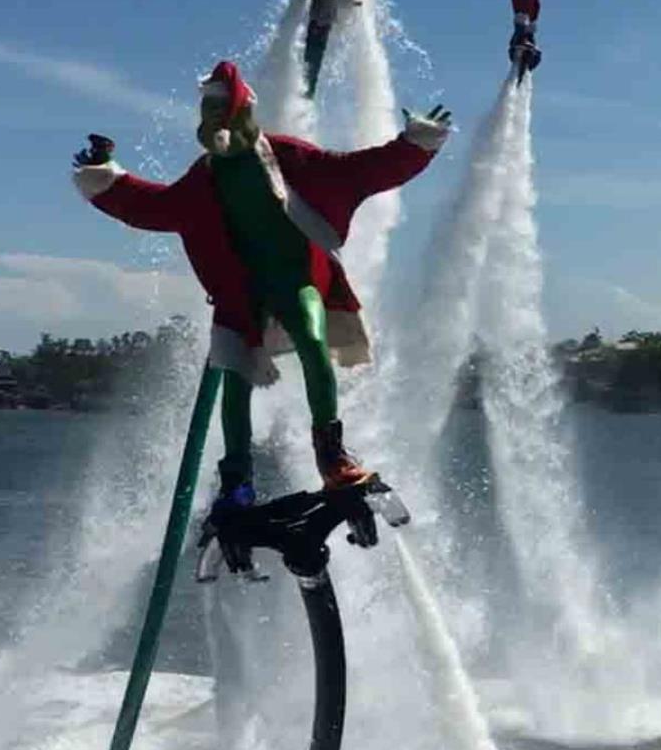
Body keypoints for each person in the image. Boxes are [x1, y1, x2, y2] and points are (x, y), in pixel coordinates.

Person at [73, 61, 450, 506]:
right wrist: (108, 176)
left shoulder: (285, 155)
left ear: (242, 112)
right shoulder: (207, 174)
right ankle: (237, 478)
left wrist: (412, 145)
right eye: (208, 108)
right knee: (234, 375)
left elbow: (356, 171)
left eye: (221, 107)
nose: (214, 117)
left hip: (297, 279)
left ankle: (331, 454)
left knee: (313, 340)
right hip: (242, 291)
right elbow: (158, 206)